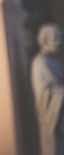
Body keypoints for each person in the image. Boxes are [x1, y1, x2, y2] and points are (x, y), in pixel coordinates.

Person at [32, 23, 64, 155]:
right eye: (55, 38)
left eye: (60, 38)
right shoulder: (40, 62)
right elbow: (45, 93)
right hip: (54, 117)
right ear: (45, 40)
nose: (59, 42)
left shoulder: (58, 63)